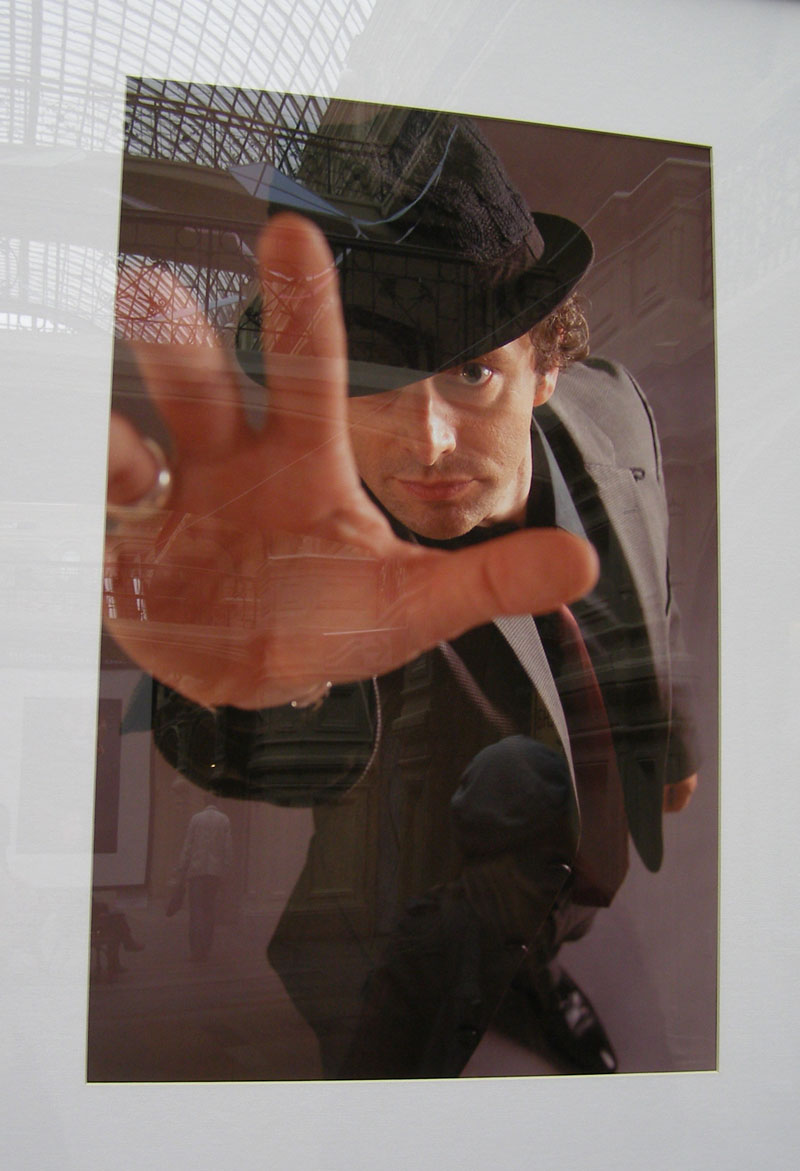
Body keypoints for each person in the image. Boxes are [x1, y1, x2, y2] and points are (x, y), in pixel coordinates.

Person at [104, 106, 697, 1077]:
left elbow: (649, 569)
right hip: (402, 951)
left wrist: (665, 732)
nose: (426, 444)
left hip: (564, 887)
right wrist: (241, 678)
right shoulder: (323, 532)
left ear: (547, 364)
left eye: (472, 373)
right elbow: (272, 734)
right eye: (377, 381)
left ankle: (539, 966)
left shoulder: (615, 408)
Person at [176, 796, 233, 961]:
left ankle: (195, 950)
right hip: (214, 873)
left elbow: (188, 846)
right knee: (209, 910)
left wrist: (182, 869)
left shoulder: (196, 819)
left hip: (196, 872)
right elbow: (228, 848)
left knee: (196, 912)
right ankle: (206, 948)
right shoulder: (224, 820)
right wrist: (226, 871)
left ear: (204, 802)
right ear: (217, 802)